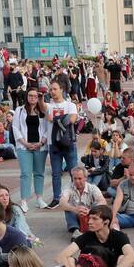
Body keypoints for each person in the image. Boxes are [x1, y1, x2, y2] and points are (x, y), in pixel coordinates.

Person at [57, 205, 134, 267]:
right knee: (68, 260)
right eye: (89, 218)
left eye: (94, 219)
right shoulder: (87, 236)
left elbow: (132, 258)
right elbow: (60, 257)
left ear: (106, 222)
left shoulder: (119, 236)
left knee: (124, 259)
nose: (89, 222)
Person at [12, 86, 50, 210]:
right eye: (30, 96)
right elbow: (15, 128)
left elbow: (47, 128)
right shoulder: (20, 110)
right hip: (24, 146)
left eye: (35, 96)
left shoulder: (44, 110)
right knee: (25, 173)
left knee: (39, 173)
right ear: (26, 97)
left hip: (40, 146)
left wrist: (42, 142)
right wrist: (25, 143)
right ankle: (24, 201)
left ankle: (39, 198)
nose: (33, 98)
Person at [45, 81, 78, 209]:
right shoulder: (48, 106)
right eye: (50, 89)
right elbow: (44, 112)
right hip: (53, 143)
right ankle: (56, 198)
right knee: (56, 173)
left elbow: (72, 119)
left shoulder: (70, 105)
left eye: (54, 89)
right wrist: (61, 118)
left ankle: (75, 196)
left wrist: (54, 119)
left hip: (68, 142)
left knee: (73, 172)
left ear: (61, 89)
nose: (52, 91)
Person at [61, 165, 106, 236]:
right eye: (74, 178)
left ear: (85, 178)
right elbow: (62, 203)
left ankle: (92, 228)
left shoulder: (93, 188)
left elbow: (103, 202)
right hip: (75, 216)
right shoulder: (67, 187)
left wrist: (90, 210)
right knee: (67, 208)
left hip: (90, 216)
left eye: (79, 178)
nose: (77, 181)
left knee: (97, 205)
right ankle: (75, 231)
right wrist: (75, 209)